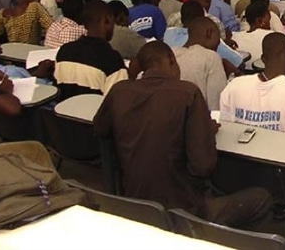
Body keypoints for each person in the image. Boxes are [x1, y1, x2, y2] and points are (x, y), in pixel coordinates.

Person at [94, 42, 272, 227]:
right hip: (183, 211)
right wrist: (205, 132)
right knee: (262, 198)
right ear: (172, 60)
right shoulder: (187, 93)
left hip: (131, 203)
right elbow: (203, 166)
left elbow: (99, 129)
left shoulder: (119, 91)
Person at [220, 33, 285, 135]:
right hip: (282, 150)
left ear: (262, 59)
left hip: (238, 150)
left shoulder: (234, 85)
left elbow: (226, 130)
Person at [56, 0, 126, 94]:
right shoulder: (113, 61)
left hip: (62, 108)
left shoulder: (64, 51)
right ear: (107, 20)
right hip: (96, 108)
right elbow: (115, 101)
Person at [172, 17, 228, 111]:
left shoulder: (171, 53)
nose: (217, 48)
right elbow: (216, 106)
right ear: (209, 33)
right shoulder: (211, 57)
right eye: (218, 43)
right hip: (195, 121)